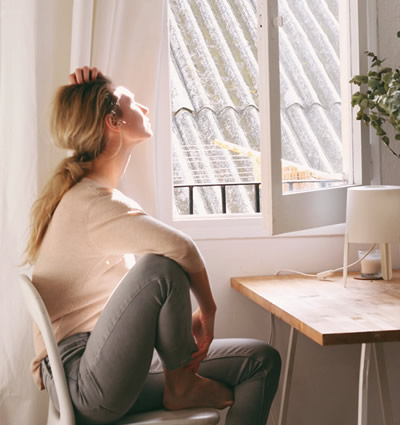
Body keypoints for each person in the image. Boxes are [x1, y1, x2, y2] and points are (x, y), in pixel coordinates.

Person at [24, 66, 281, 425]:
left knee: (260, 362)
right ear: (113, 122)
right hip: (85, 381)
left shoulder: (92, 197)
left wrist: (100, 89)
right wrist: (207, 311)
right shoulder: (90, 203)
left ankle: (181, 381)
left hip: (101, 367)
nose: (144, 108)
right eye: (133, 102)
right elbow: (183, 248)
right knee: (161, 266)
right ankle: (181, 383)